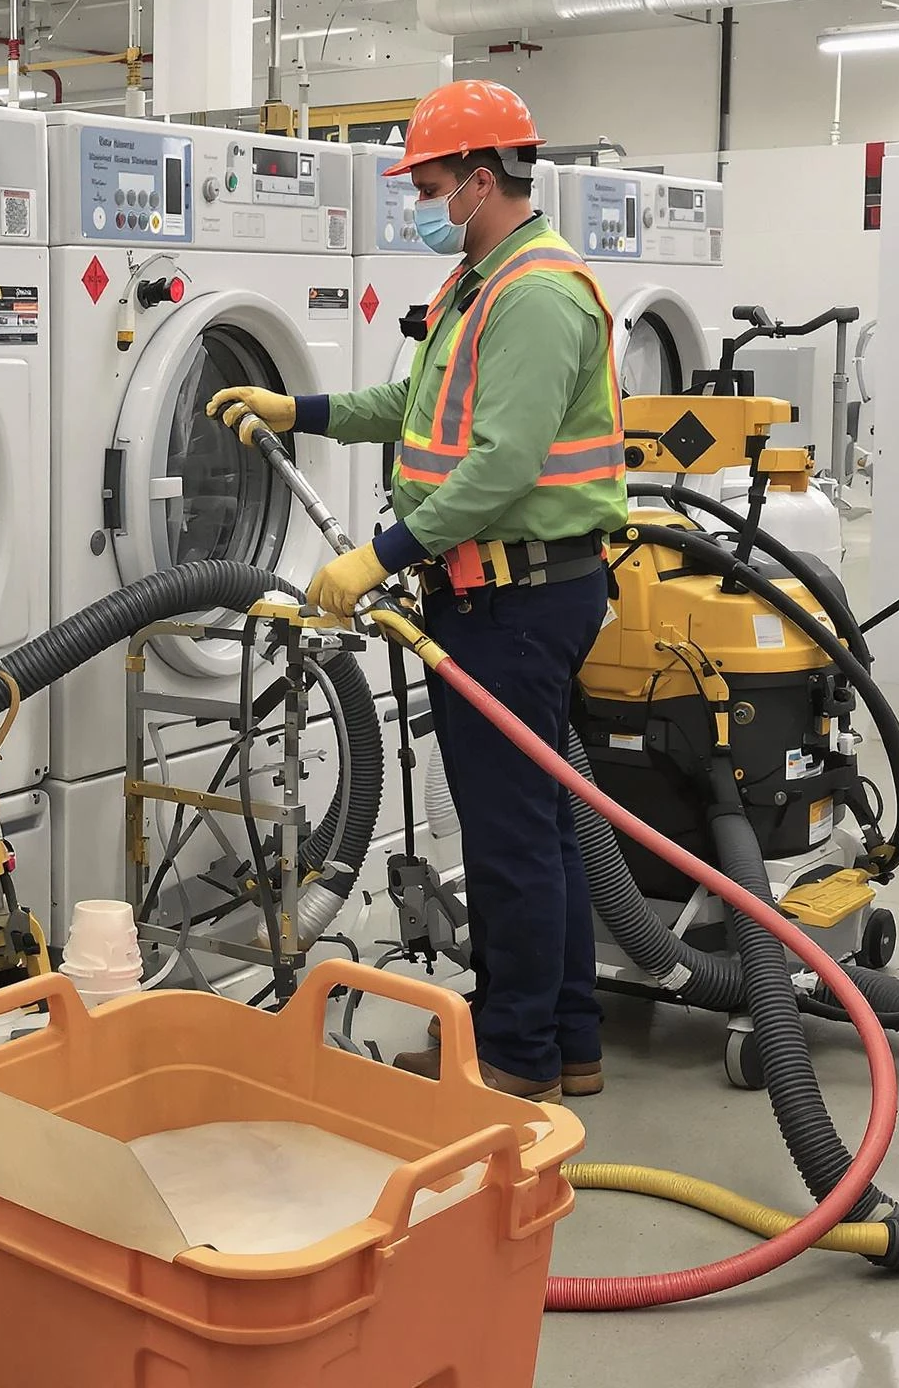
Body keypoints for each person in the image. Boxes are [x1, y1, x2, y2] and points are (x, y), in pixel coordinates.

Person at [207, 79, 627, 1103]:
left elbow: (502, 464)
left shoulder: (530, 294)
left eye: (431, 184)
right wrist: (297, 405)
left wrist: (381, 553)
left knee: (507, 835)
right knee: (539, 824)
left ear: (483, 180)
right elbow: (414, 403)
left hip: (516, 600)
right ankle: (565, 1040)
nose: (419, 202)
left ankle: (512, 1058)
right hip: (504, 594)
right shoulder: (486, 281)